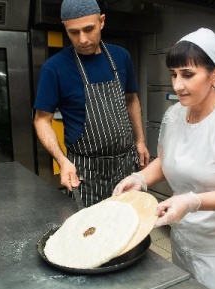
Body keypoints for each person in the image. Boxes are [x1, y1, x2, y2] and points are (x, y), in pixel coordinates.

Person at [113, 28, 215, 289]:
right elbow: (167, 161)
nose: (177, 85)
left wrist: (192, 201)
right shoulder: (174, 115)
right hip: (185, 242)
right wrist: (140, 179)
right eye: (174, 74)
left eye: (188, 74)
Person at [33, 0, 149, 207]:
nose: (83, 39)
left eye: (89, 29)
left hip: (126, 165)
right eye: (74, 32)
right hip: (86, 172)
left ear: (101, 21)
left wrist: (140, 140)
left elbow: (131, 98)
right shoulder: (55, 68)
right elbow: (42, 120)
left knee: (128, 229)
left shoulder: (121, 57)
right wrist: (62, 160)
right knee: (91, 232)